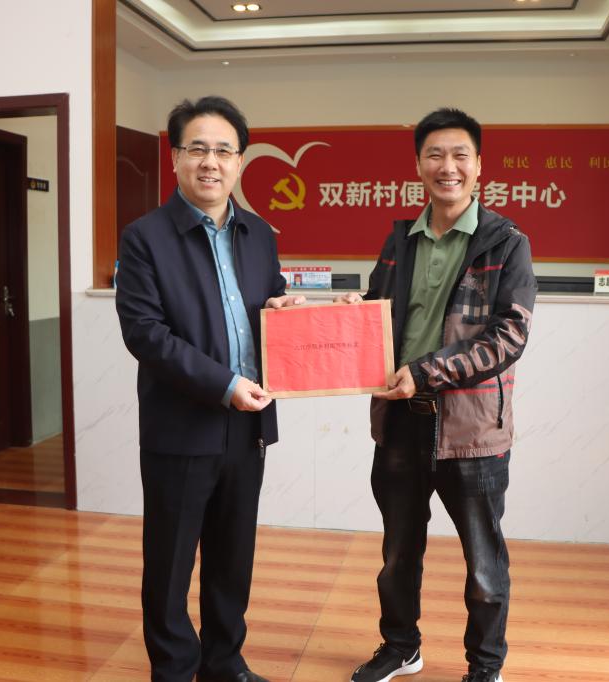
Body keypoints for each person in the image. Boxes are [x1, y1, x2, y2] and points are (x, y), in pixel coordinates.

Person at [337, 107, 536, 682]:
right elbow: (379, 313)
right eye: (435, 155)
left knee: (483, 564)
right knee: (398, 552)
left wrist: (425, 373)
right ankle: (401, 647)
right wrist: (355, 314)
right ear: (419, 165)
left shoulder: (506, 243)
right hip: (400, 420)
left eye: (459, 155)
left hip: (471, 427)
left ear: (479, 166)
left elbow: (509, 337)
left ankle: (485, 667)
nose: (447, 167)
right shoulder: (400, 240)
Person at [116, 95, 303, 682]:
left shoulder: (259, 233)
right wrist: (225, 385)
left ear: (240, 161)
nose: (210, 162)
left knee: (232, 556)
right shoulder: (145, 237)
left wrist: (281, 312)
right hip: (181, 425)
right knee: (170, 564)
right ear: (175, 158)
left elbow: (263, 305)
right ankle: (174, 669)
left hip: (248, 425)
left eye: (224, 150)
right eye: (197, 148)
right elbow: (145, 334)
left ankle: (224, 662)